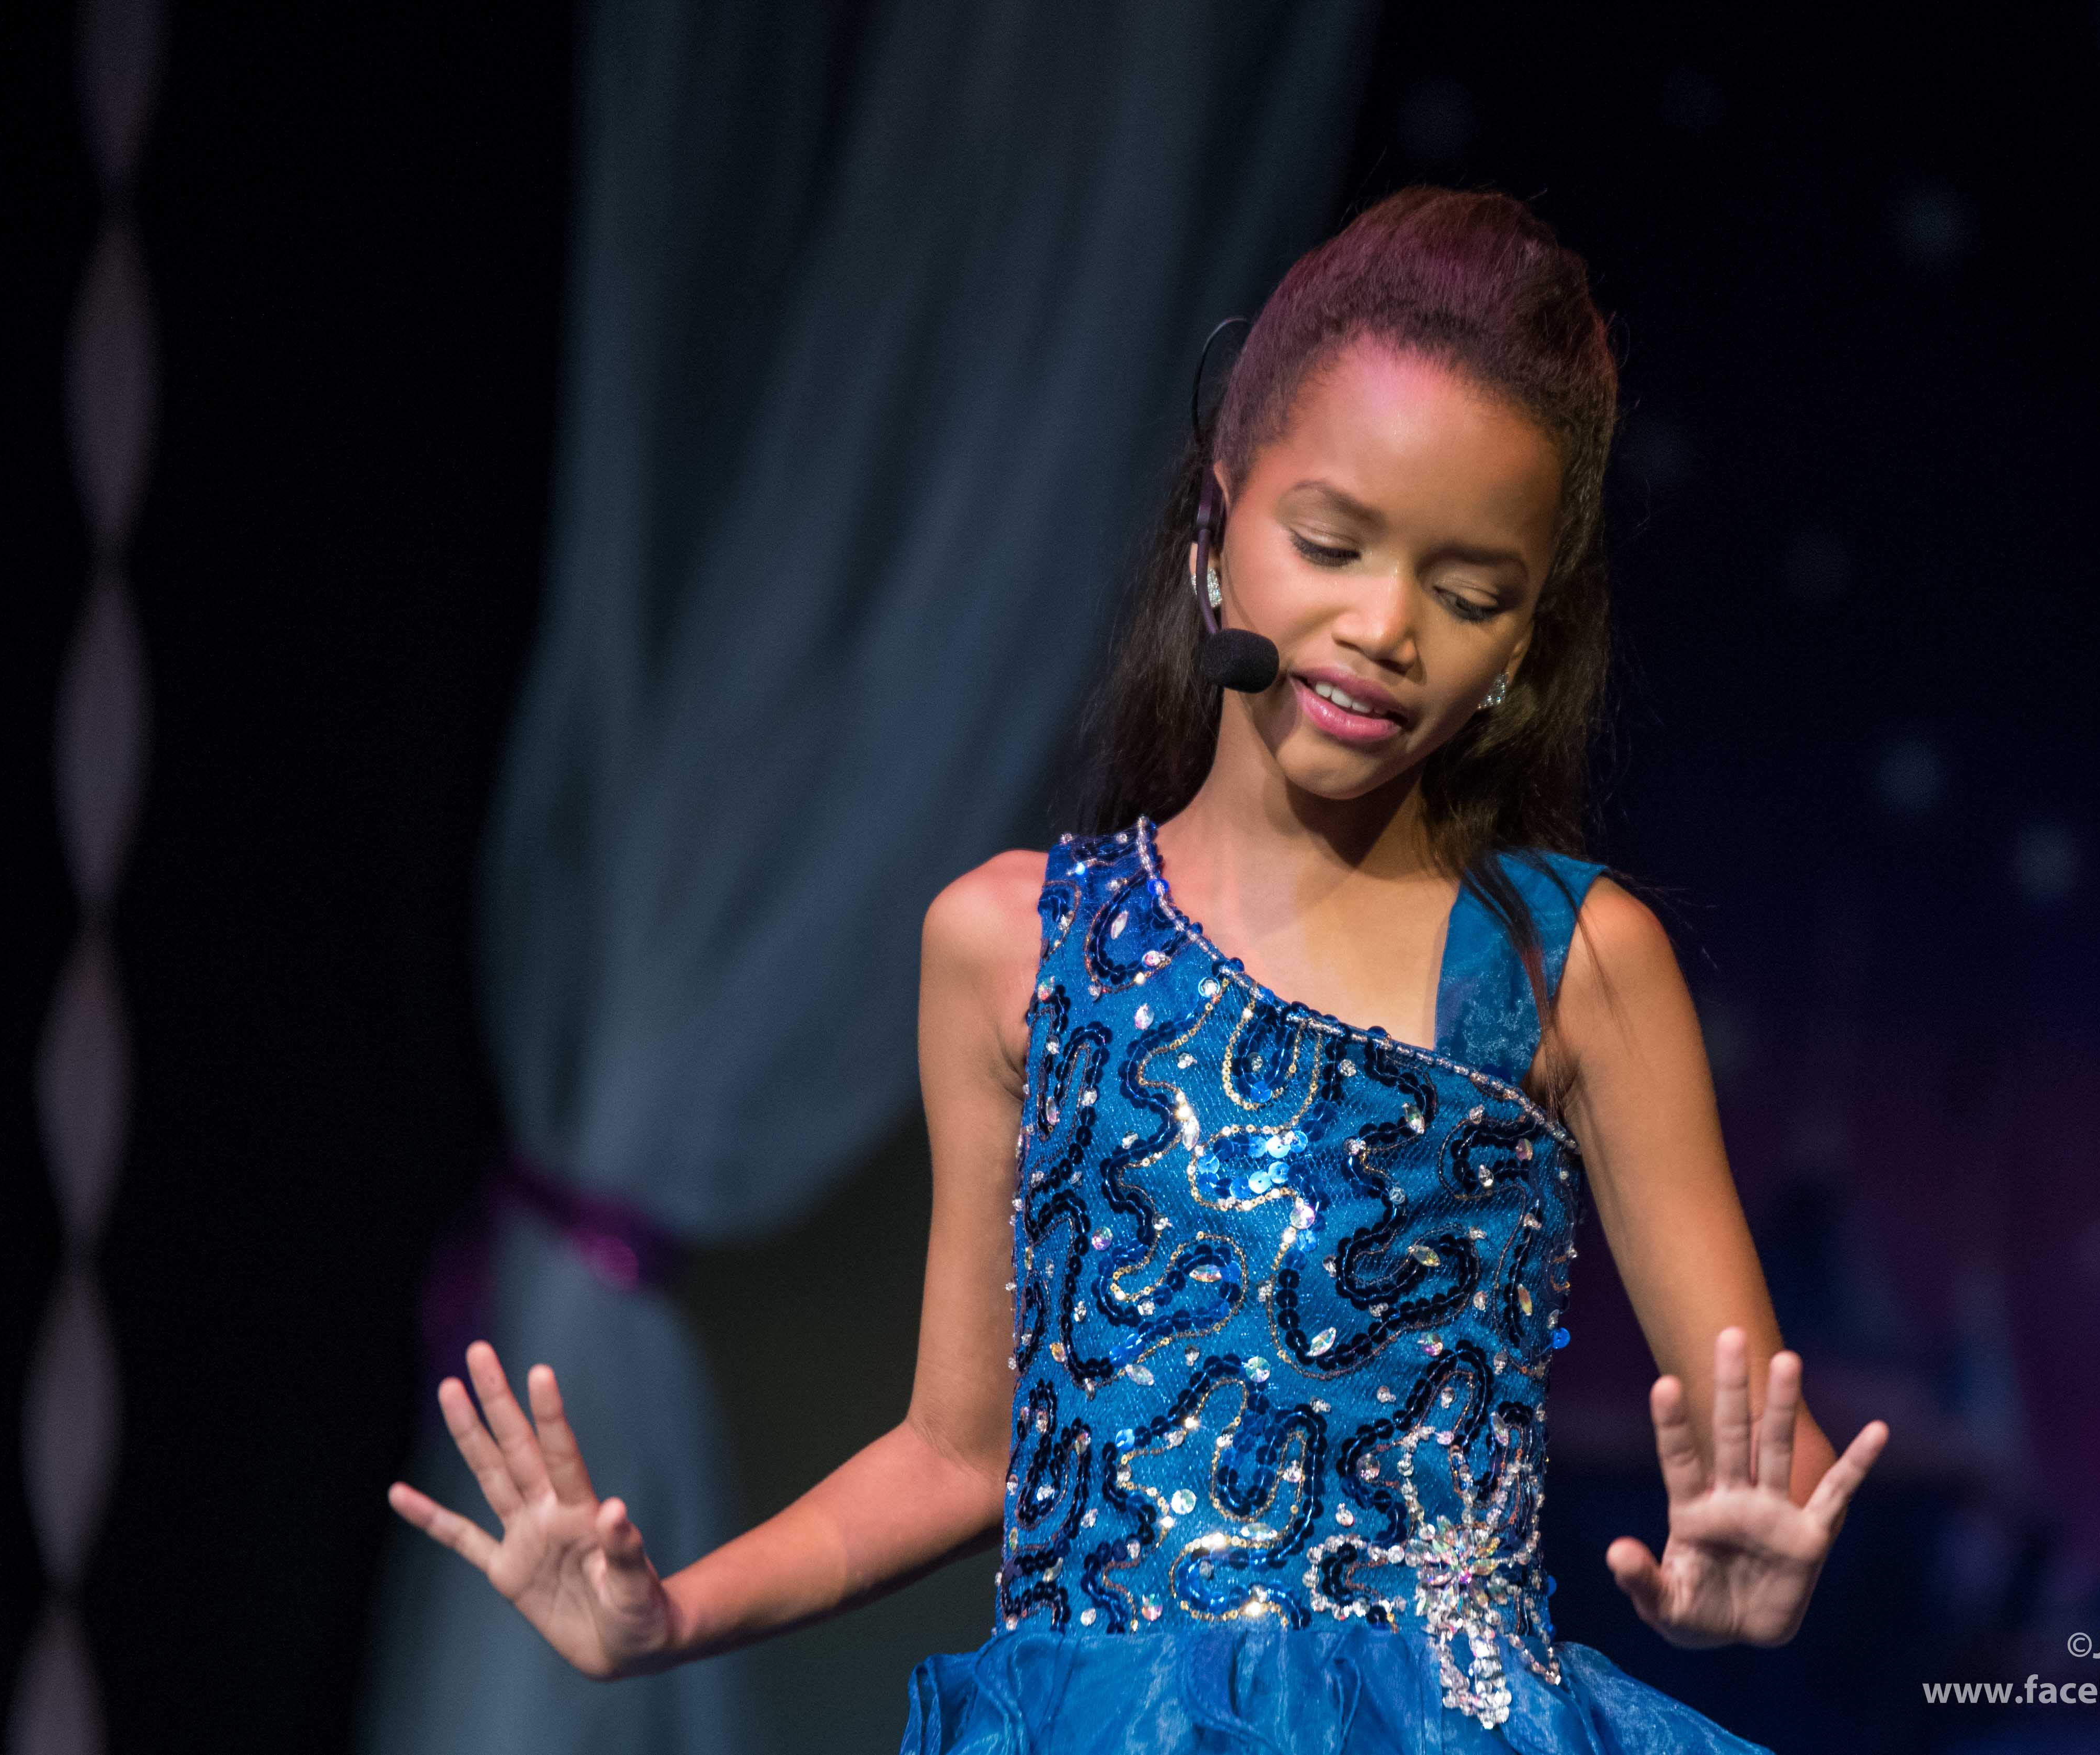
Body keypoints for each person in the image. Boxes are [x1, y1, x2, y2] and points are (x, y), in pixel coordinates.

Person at [390, 186, 1889, 1752]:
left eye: (1467, 595)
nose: (1384, 627)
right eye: (1329, 544)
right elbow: (962, 1449)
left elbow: (1763, 1458)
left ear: (1522, 641)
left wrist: (1760, 1562)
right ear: (1218, 524)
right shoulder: (1012, 946)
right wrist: (673, 1615)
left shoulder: (1564, 963)